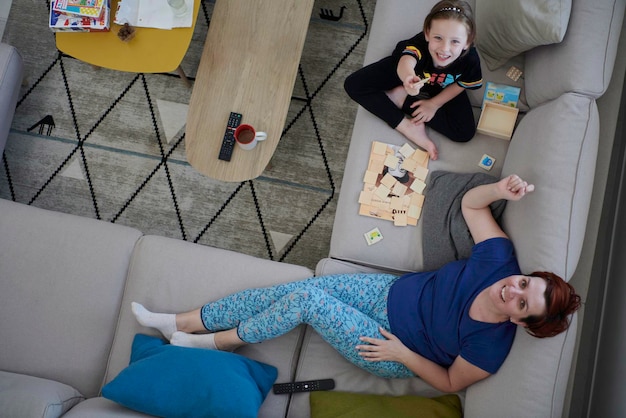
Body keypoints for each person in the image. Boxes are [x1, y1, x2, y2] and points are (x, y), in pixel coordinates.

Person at [132, 175, 581, 393]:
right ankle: (183, 320)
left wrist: (402, 354)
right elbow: (470, 206)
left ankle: (216, 341)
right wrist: (501, 189)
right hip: (387, 295)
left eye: (523, 303)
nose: (513, 291)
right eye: (524, 284)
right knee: (286, 294)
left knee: (306, 296)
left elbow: (449, 382)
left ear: (523, 322)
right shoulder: (499, 263)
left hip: (389, 345)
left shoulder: (491, 346)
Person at [344, 0, 482, 161]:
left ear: (467, 42)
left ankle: (401, 99)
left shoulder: (470, 59)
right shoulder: (419, 44)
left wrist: (434, 104)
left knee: (464, 133)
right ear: (427, 33)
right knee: (353, 84)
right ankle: (406, 127)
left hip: (443, 86)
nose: (444, 49)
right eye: (438, 38)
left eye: (455, 41)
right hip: (412, 74)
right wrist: (407, 78)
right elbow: (407, 60)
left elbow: (462, 84)